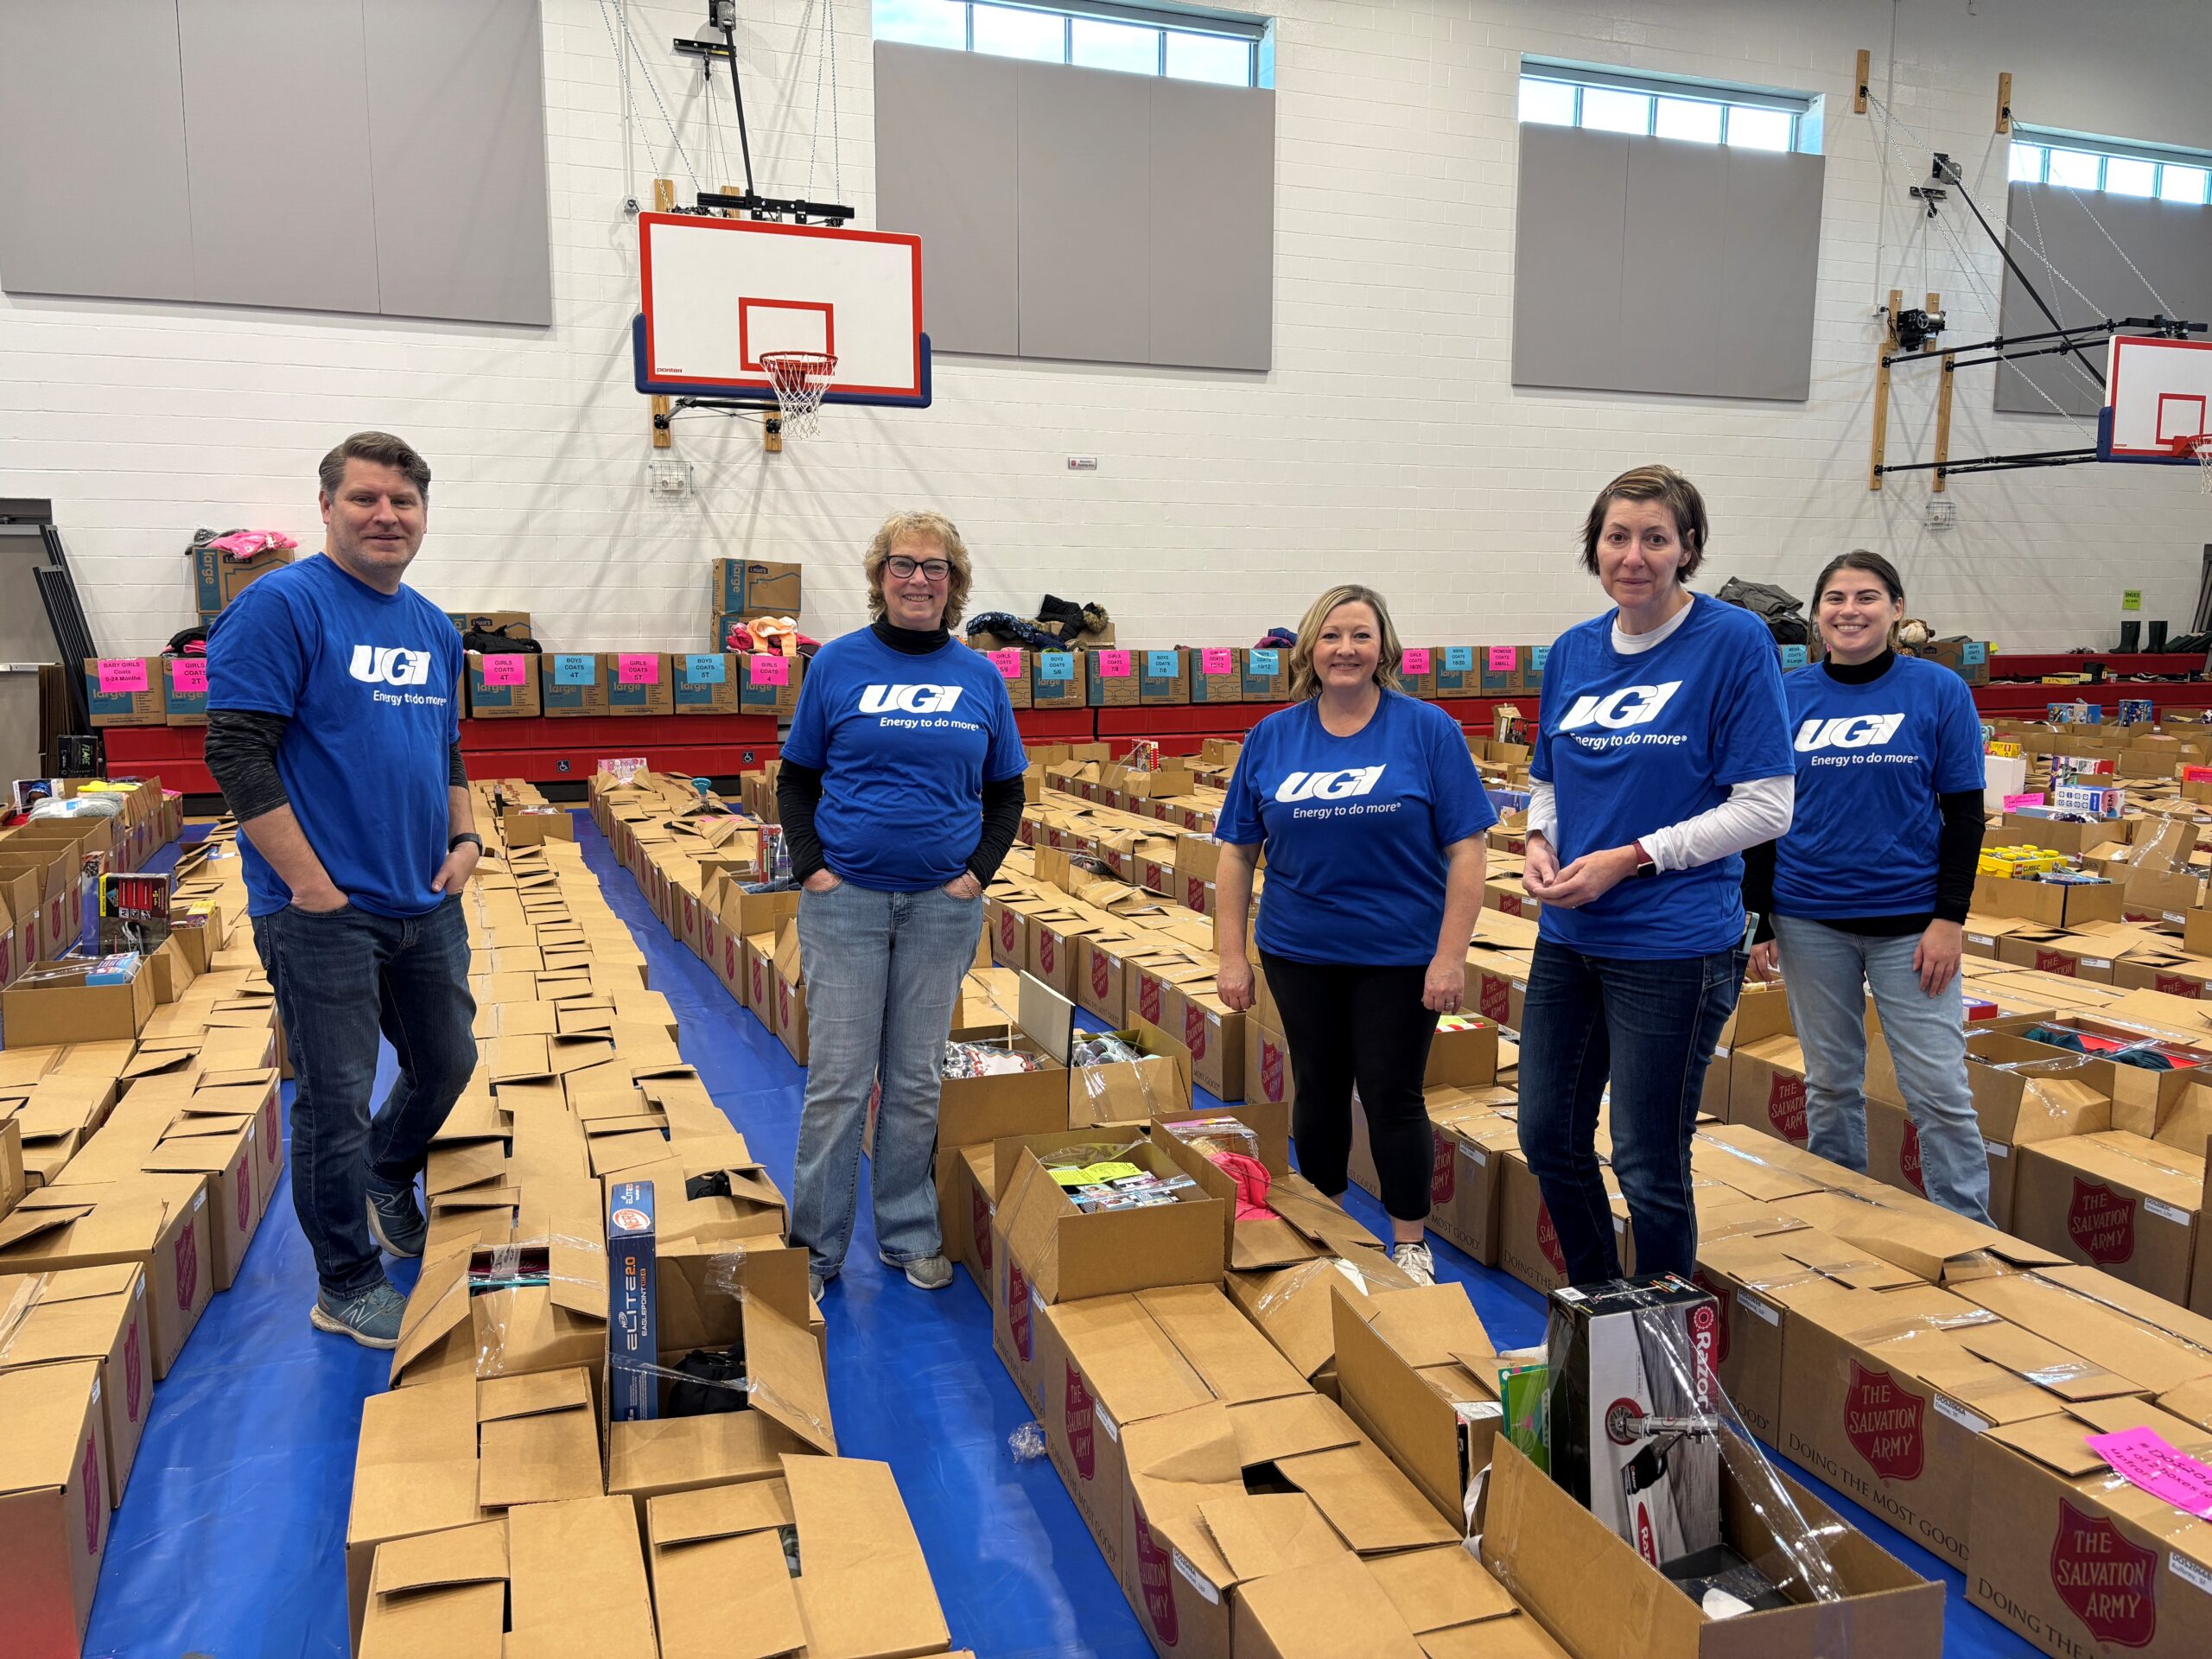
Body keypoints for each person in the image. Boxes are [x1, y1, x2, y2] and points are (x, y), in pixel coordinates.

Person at [205, 432, 480, 1350]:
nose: (385, 516)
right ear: (327, 507)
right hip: (322, 913)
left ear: (423, 516)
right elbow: (235, 755)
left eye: (402, 502)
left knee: (447, 1062)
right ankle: (347, 1282)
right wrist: (309, 884)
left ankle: (390, 1172)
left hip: (422, 898)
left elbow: (447, 750)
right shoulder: (281, 607)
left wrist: (467, 837)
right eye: (365, 499)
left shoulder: (434, 626)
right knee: (335, 1097)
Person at [1516, 465, 1793, 1287]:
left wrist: (1632, 858)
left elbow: (1767, 806)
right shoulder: (1572, 651)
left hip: (1672, 944)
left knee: (1647, 1161)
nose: (1632, 556)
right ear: (1594, 548)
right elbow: (1550, 781)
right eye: (1616, 537)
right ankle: (1603, 1304)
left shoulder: (1734, 642)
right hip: (1571, 936)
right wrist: (1540, 839)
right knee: (1547, 1138)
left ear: (1688, 549)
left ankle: (1670, 1347)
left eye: (1655, 538)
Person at [1214, 584, 1494, 1286]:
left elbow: (1468, 849)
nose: (1345, 649)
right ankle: (1329, 1226)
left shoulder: (1428, 730)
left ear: (1384, 649)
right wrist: (1230, 956)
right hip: (1297, 949)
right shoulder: (1273, 736)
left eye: (1361, 636)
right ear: (1310, 647)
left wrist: (1450, 957)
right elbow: (1237, 852)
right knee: (1319, 1088)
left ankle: (1409, 1241)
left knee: (1393, 1092)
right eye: (1332, 636)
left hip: (1399, 955)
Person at [779, 512, 1027, 1300]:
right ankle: (815, 1250)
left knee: (916, 1079)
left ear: (954, 584)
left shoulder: (981, 677)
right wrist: (814, 869)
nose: (918, 579)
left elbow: (1007, 790)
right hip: (845, 902)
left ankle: (908, 1231)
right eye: (903, 564)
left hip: (940, 907)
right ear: (879, 575)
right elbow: (797, 778)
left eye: (935, 567)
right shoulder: (838, 665)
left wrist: (975, 876)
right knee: (840, 1082)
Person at [1745, 551, 1992, 1222]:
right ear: (1817, 612)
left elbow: (1966, 815)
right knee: (1830, 1084)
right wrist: (1759, 917)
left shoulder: (1939, 692)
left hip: (1913, 927)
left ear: (1897, 610)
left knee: (1937, 1088)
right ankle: (1840, 1214)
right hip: (1807, 921)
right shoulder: (1786, 696)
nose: (1849, 610)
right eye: (1835, 598)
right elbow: (1764, 818)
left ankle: (1965, 1226)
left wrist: (1950, 918)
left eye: (1867, 597)